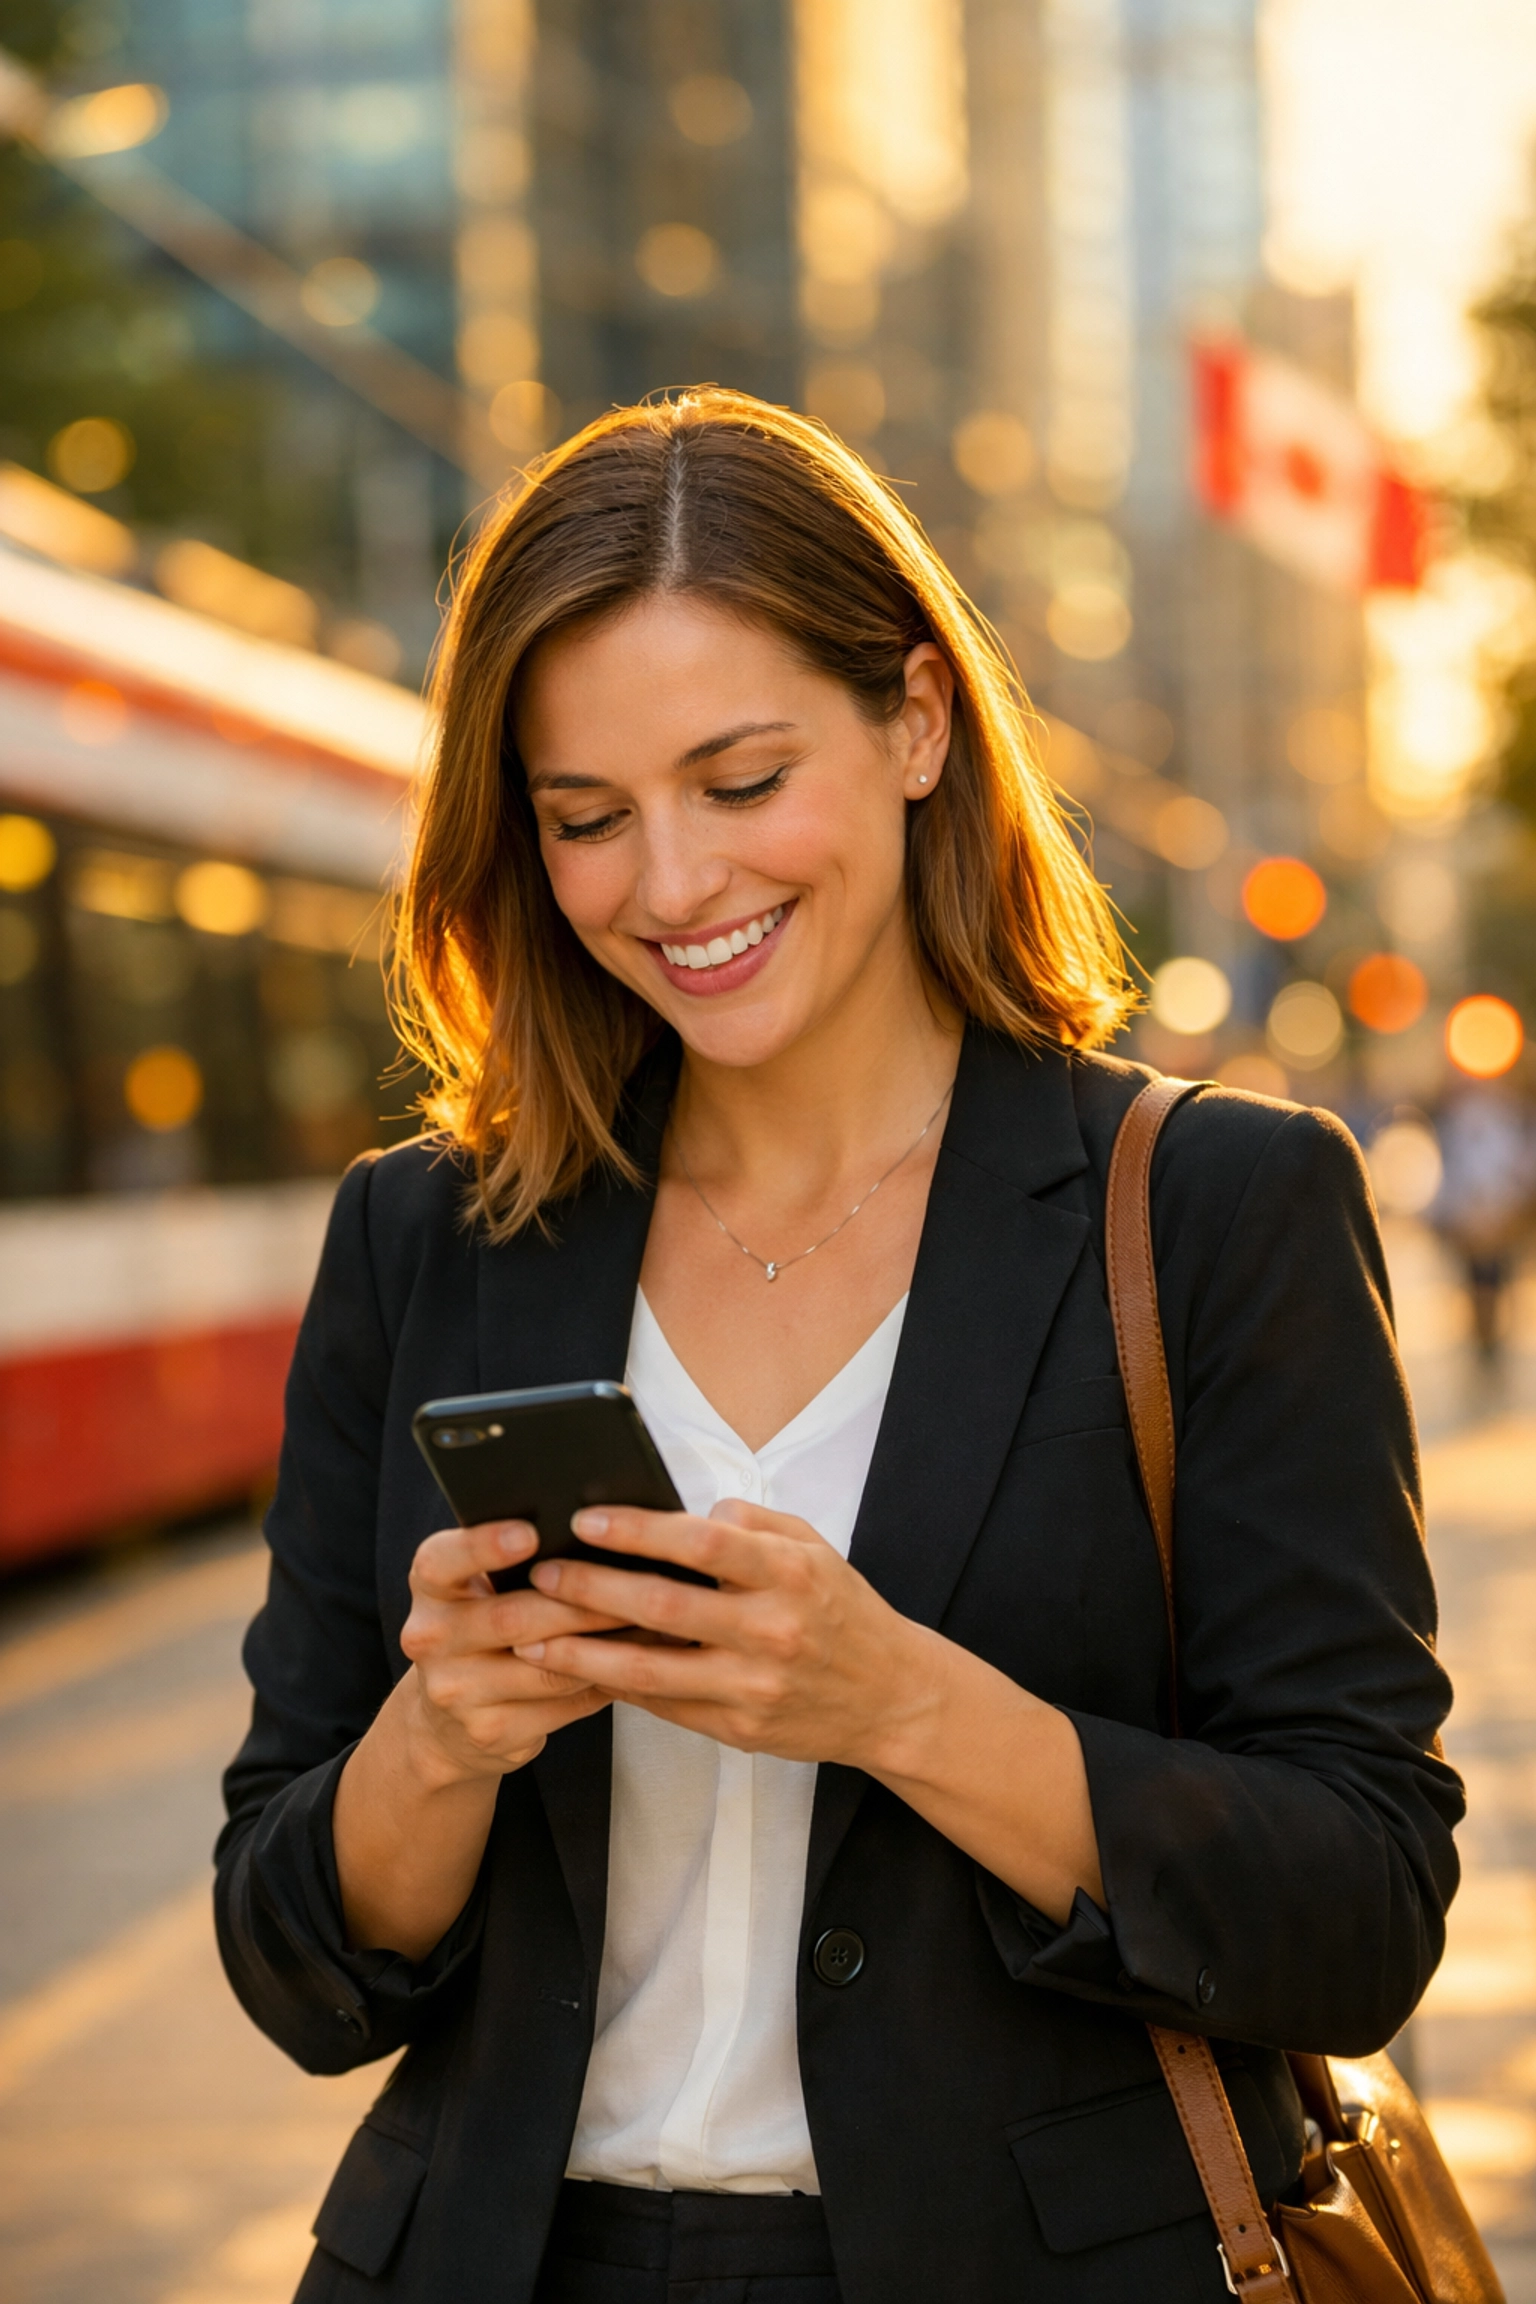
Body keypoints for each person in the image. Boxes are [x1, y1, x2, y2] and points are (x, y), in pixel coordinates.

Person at [216, 391, 1462, 2304]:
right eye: (586, 820)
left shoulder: (1218, 1210)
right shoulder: (429, 1240)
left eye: (738, 780)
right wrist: (438, 1741)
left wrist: (897, 1703)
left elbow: (1360, 1907)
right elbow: (290, 1958)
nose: (673, 885)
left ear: (914, 723)